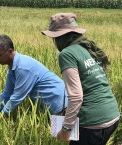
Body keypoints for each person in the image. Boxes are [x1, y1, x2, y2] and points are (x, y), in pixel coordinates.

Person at [42, 13, 120, 145]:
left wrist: (66, 129)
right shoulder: (88, 49)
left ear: (61, 36)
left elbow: (76, 96)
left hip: (93, 123)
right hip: (112, 116)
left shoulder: (66, 54)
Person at [0, 34, 68, 117]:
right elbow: (7, 93)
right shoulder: (12, 69)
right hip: (52, 105)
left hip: (61, 102)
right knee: (58, 129)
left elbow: (17, 96)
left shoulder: (23, 68)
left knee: (65, 129)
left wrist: (2, 115)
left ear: (10, 51)